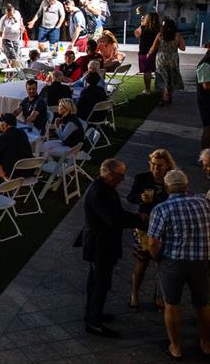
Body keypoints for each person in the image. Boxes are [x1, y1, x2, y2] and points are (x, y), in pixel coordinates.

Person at [147, 169, 210, 359]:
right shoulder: (204, 203)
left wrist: (157, 257)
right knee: (203, 304)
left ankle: (176, 346)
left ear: (167, 187)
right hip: (201, 261)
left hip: (173, 262)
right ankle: (206, 343)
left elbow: (152, 242)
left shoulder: (161, 209)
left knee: (172, 304)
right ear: (187, 184)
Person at [82, 158, 147, 338]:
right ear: (110, 174)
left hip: (101, 243)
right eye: (121, 175)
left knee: (97, 281)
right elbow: (114, 218)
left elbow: (116, 214)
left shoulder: (103, 187)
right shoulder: (99, 193)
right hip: (100, 245)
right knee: (100, 283)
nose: (123, 179)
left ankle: (93, 313)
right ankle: (94, 322)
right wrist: (139, 220)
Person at [126, 149, 175, 310]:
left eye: (160, 165)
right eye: (153, 165)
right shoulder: (142, 178)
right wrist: (140, 197)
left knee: (161, 263)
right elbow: (130, 197)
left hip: (166, 228)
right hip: (144, 227)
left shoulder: (172, 180)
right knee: (142, 261)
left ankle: (159, 295)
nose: (156, 169)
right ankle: (134, 294)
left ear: (167, 165)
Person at [0, 113, 33, 187]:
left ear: (5, 124)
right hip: (29, 170)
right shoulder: (22, 133)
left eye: (0, 122)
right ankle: (15, 191)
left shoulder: (2, 138)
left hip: (14, 174)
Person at [149, 18, 186, 107]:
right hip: (173, 58)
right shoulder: (178, 35)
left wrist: (148, 55)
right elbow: (183, 48)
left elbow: (153, 48)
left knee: (162, 77)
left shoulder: (160, 35)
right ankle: (170, 97)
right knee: (171, 77)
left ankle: (163, 98)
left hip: (161, 58)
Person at [134, 11, 160, 95]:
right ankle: (159, 89)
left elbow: (136, 34)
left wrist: (141, 24)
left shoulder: (143, 28)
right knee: (157, 71)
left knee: (147, 72)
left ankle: (148, 90)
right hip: (156, 52)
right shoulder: (159, 28)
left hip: (144, 52)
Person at [0, 3, 24, 72]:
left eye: (11, 15)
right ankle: (18, 73)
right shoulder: (3, 20)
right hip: (6, 40)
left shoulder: (17, 13)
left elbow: (20, 21)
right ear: (6, 13)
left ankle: (9, 74)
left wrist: (22, 27)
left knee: (15, 57)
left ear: (14, 12)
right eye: (8, 15)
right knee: (13, 58)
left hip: (16, 38)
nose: (10, 17)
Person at [198, 47, 210, 149]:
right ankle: (204, 157)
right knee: (208, 129)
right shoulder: (205, 64)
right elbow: (206, 86)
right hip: (206, 102)